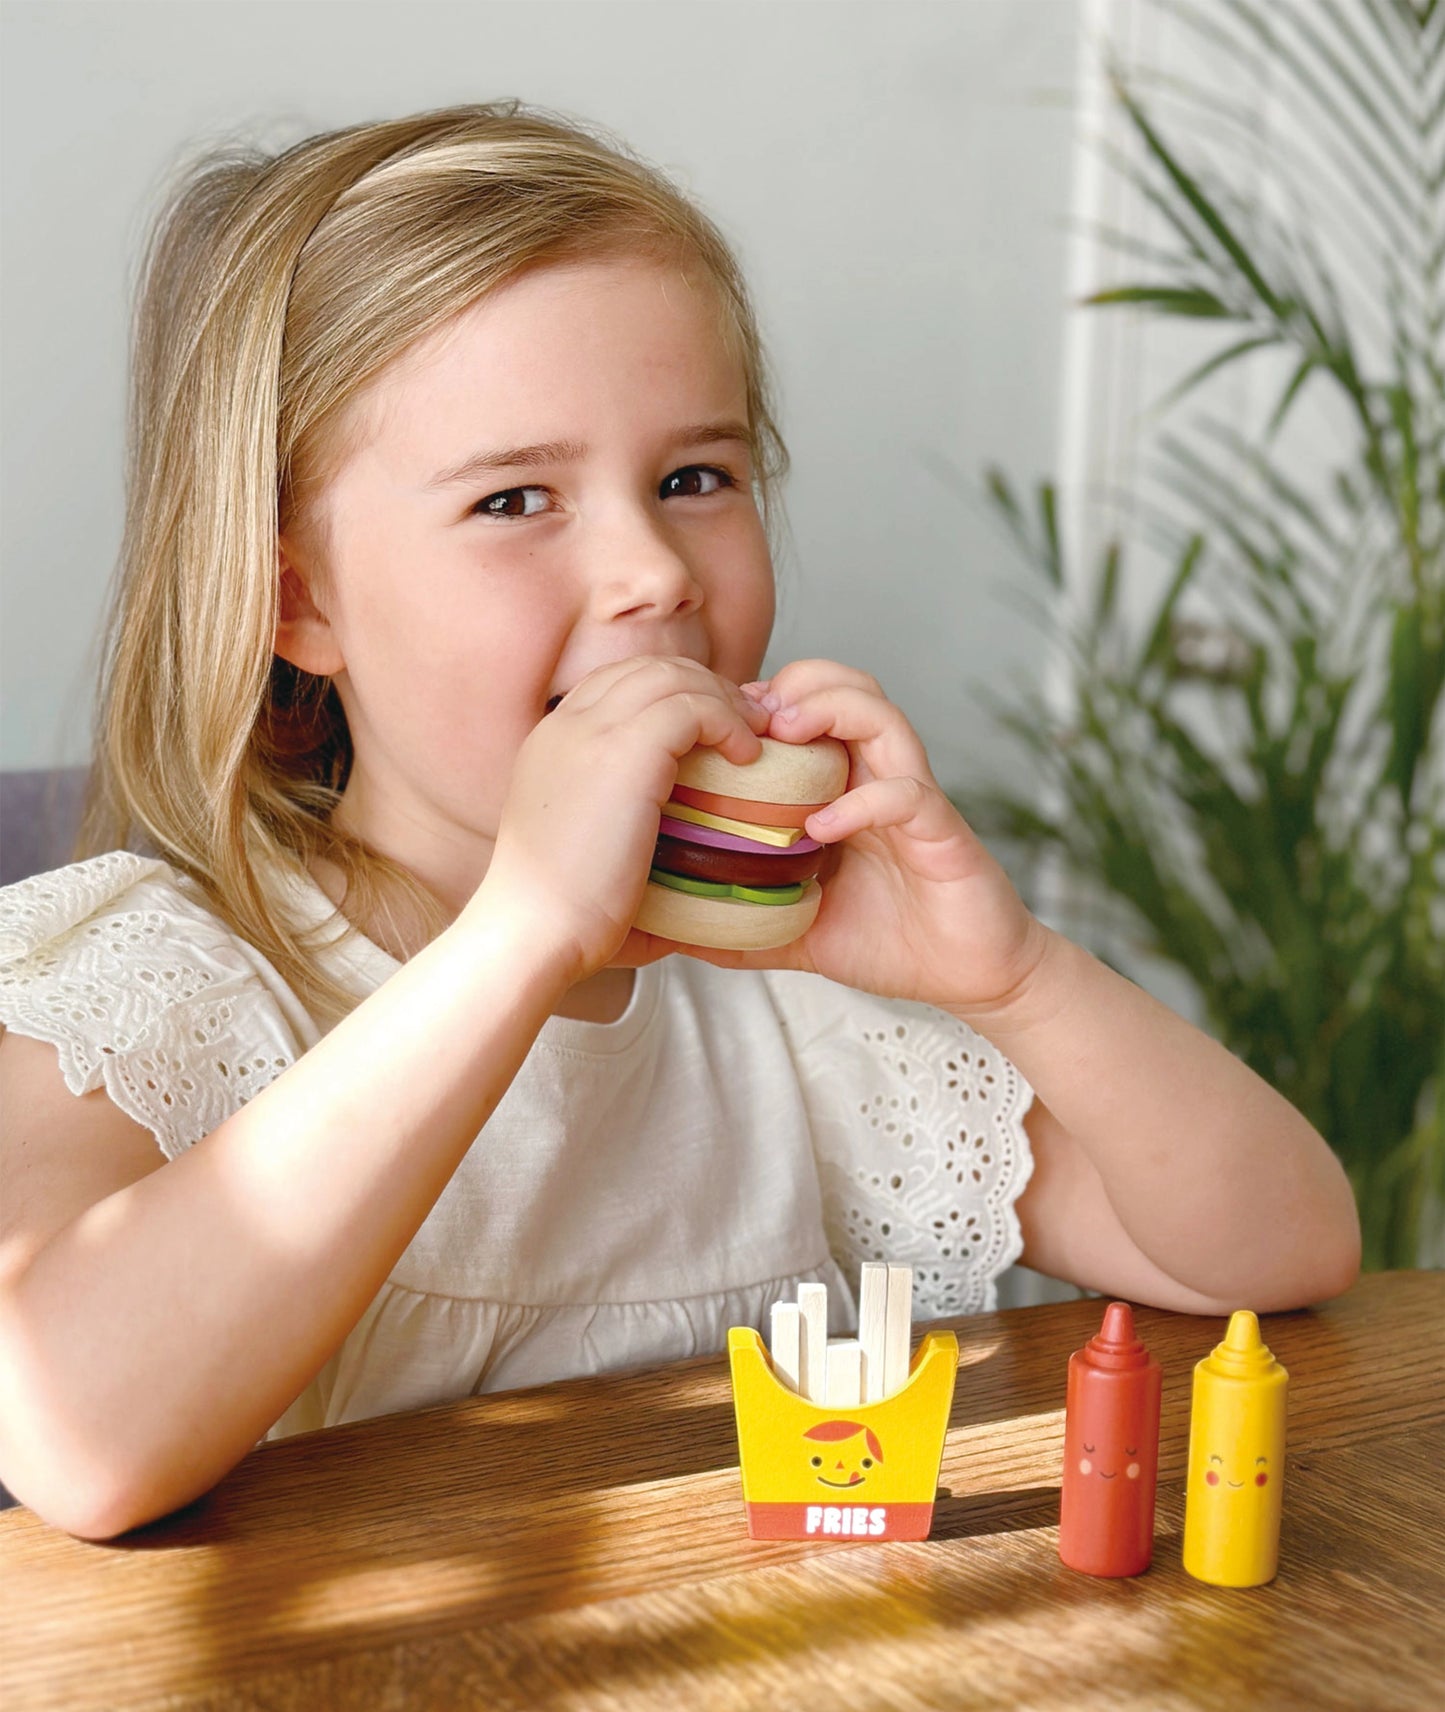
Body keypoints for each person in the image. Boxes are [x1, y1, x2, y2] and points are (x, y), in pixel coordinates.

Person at [0, 101, 1360, 1541]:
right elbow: (79, 1438)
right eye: (515, 497)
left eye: (694, 479)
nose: (650, 568)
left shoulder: (785, 1012)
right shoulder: (148, 985)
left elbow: (1280, 1250)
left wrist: (1012, 978)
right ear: (300, 604)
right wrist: (520, 937)